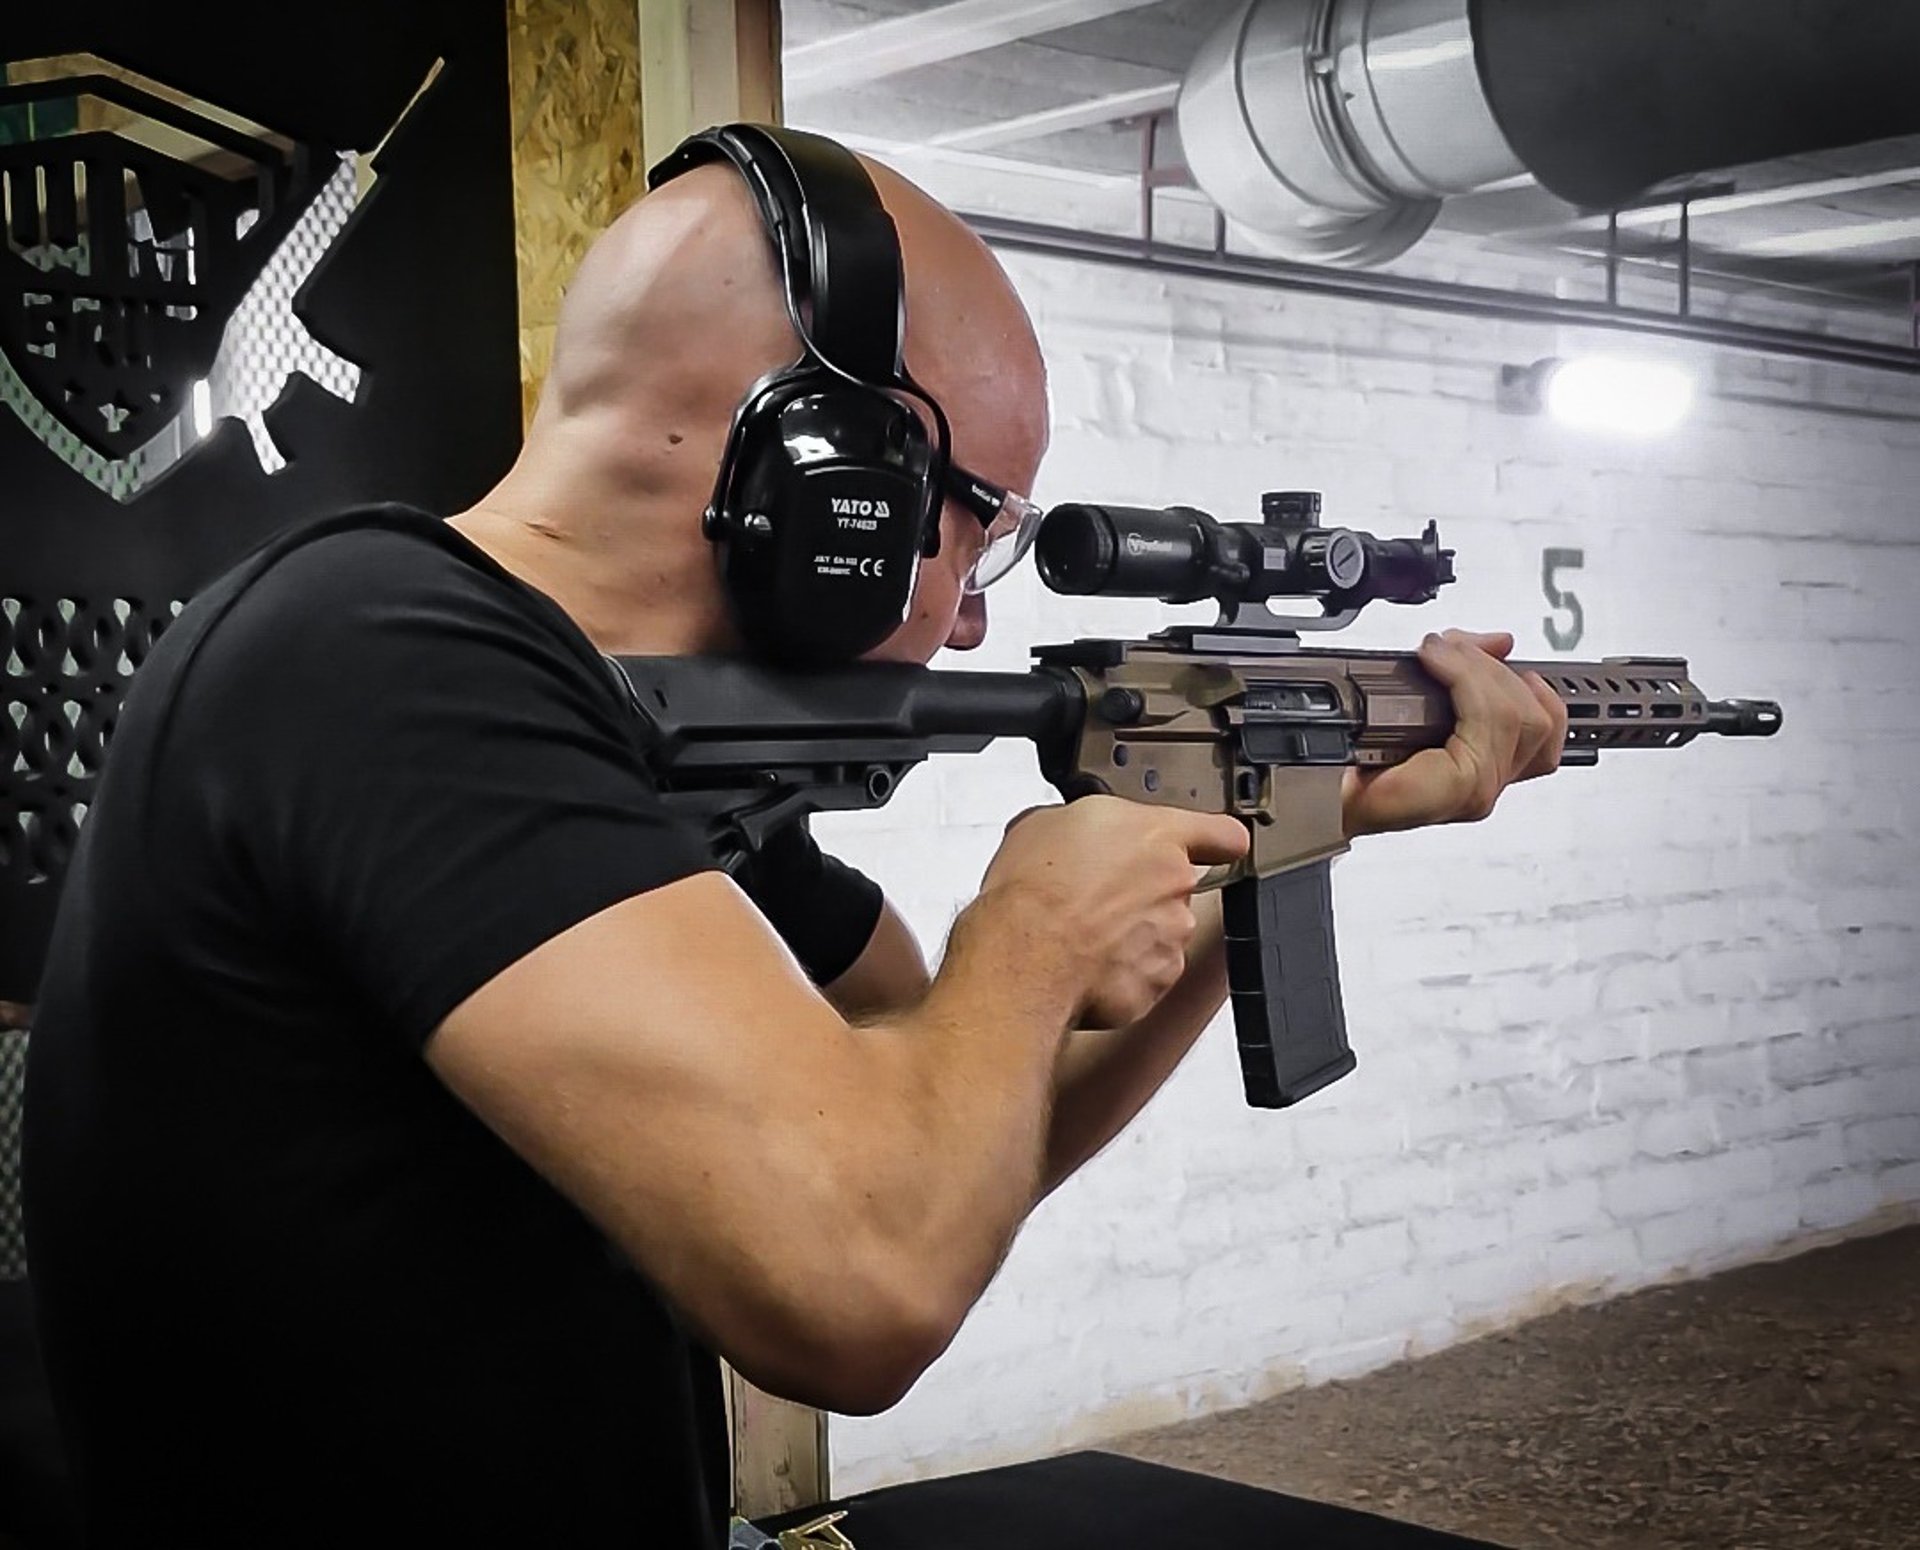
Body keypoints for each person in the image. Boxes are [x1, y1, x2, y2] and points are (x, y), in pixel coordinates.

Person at [22, 127, 1567, 1547]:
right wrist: (1029, 937)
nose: (972, 604)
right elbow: (865, 1280)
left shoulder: (590, 726)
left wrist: (1284, 829)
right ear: (839, 476)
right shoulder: (380, 655)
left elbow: (939, 1120)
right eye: (981, 517)